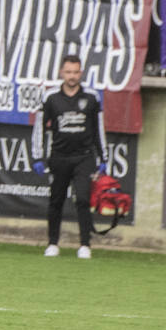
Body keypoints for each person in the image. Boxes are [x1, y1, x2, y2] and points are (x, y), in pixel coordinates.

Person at [31, 54, 105, 260]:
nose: (72, 76)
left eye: (75, 72)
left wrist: (103, 157)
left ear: (81, 73)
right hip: (59, 157)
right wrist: (37, 156)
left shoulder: (91, 97)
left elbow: (99, 129)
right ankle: (53, 243)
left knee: (82, 199)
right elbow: (39, 127)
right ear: (61, 73)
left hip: (84, 157)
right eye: (68, 72)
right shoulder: (50, 97)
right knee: (56, 200)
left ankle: (84, 245)